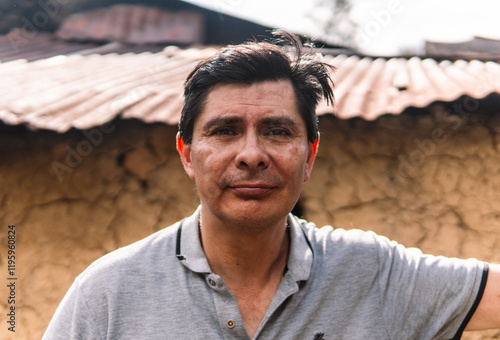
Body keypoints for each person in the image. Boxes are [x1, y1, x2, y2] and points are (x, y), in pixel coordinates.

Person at [43, 31, 499, 340]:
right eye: (224, 131)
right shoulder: (106, 295)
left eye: (278, 131)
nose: (252, 154)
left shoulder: (373, 273)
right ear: (186, 154)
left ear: (310, 157)